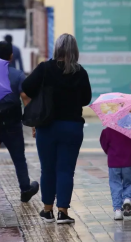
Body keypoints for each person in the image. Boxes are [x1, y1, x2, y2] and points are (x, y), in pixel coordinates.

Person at [22, 33, 92, 224]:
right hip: (72, 127)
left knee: (48, 169)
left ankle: (47, 210)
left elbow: (26, 87)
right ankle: (63, 211)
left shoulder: (45, 68)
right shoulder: (80, 72)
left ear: (57, 49)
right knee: (66, 170)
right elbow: (86, 99)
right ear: (74, 51)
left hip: (47, 127)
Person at [0, 41, 39, 208]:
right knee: (19, 158)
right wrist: (33, 123)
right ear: (11, 57)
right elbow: (26, 99)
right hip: (12, 123)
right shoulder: (18, 75)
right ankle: (25, 189)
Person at [100, 127, 131, 220]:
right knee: (128, 182)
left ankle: (117, 211)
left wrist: (111, 153)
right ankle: (127, 199)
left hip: (114, 162)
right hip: (129, 161)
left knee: (115, 185)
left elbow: (104, 145)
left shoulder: (107, 131)